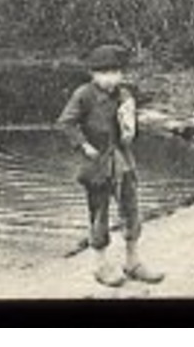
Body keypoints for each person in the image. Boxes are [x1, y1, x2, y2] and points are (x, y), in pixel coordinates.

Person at [56, 43, 165, 287]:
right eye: (103, 72)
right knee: (99, 213)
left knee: (132, 208)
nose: (110, 77)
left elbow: (131, 126)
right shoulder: (84, 94)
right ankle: (100, 265)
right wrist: (83, 145)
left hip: (122, 160)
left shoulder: (125, 95)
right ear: (93, 74)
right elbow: (65, 123)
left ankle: (133, 262)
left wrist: (132, 128)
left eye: (115, 71)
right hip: (97, 163)